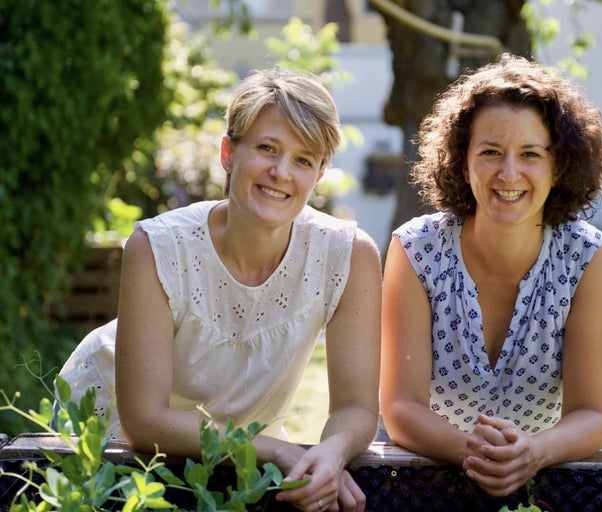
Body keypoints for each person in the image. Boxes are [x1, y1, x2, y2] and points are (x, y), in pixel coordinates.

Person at [57, 67, 381, 512]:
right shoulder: (157, 245)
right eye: (267, 148)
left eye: (304, 160)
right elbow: (144, 421)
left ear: (320, 173)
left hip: (234, 449)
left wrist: (331, 452)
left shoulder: (348, 255)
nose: (281, 172)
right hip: (113, 432)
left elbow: (357, 407)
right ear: (229, 152)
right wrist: (275, 448)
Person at [380, 53, 602, 497]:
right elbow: (401, 407)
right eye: (491, 152)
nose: (509, 172)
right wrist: (473, 453)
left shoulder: (588, 256)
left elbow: (592, 413)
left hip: (542, 486)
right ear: (462, 162)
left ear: (559, 167)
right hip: (418, 481)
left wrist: (532, 453)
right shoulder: (416, 248)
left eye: (530, 154)